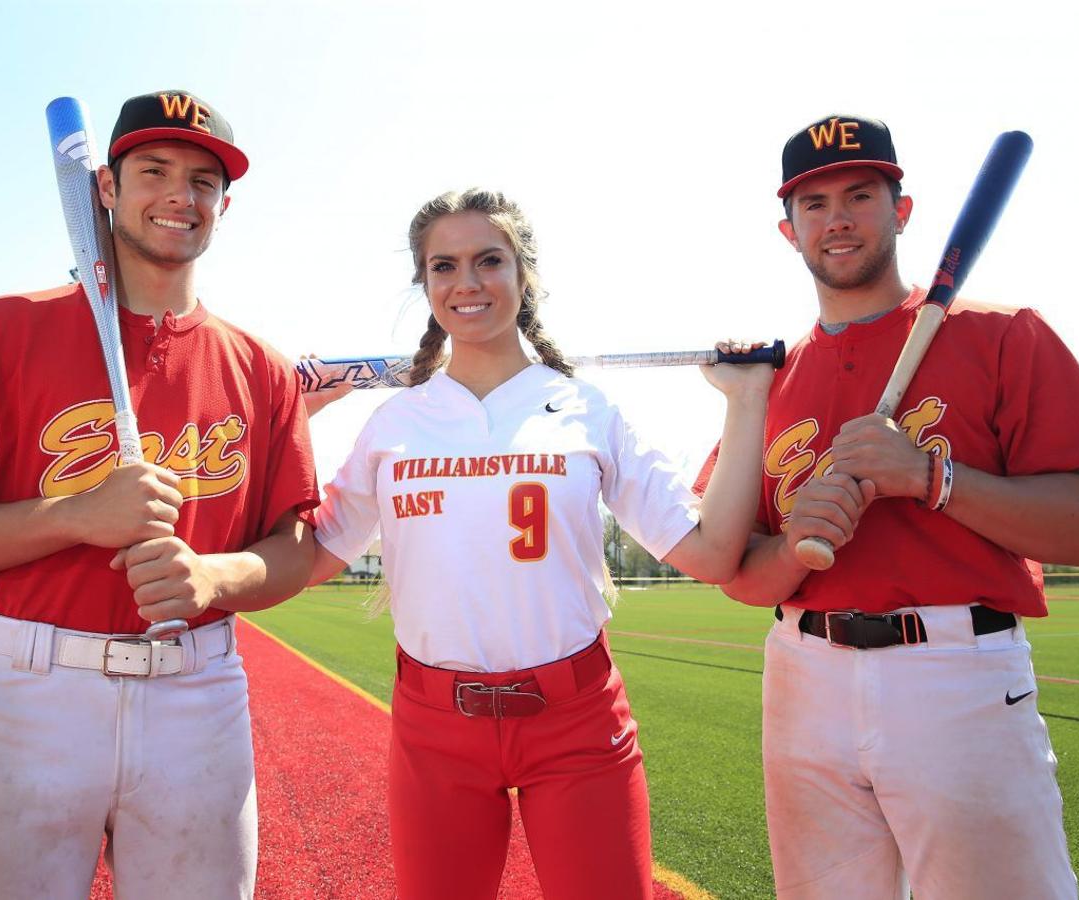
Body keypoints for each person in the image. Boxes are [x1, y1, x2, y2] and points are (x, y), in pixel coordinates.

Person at [0, 90, 318, 898]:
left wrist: (213, 577)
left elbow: (296, 549)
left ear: (225, 205)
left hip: (198, 695)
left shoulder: (260, 368)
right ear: (106, 188)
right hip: (27, 692)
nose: (180, 195)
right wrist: (75, 517)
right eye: (154, 170)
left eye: (204, 180)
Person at [306, 188, 774, 899]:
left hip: (576, 722)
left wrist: (746, 402)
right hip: (435, 726)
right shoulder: (395, 422)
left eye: (489, 260)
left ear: (523, 273)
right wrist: (295, 420)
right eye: (443, 266)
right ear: (423, 283)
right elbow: (312, 560)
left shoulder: (588, 409)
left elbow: (713, 555)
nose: (467, 282)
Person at [701, 114, 1079, 899]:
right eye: (814, 204)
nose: (837, 218)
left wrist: (933, 478)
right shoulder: (770, 381)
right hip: (803, 676)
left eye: (860, 195)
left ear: (901, 211)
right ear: (790, 231)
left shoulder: (1003, 334)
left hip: (958, 674)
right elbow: (736, 570)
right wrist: (792, 544)